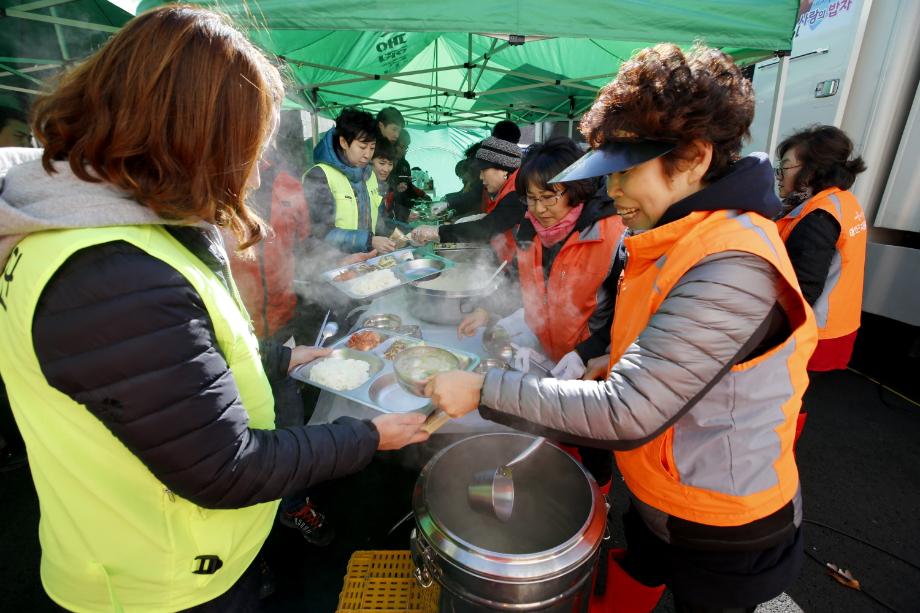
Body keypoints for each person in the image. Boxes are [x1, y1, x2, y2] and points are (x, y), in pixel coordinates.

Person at [0, 7, 428, 611]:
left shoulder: (110, 228)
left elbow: (169, 368)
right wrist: (366, 435)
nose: (255, 170)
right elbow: (224, 465)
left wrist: (281, 357)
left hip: (171, 552)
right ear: (193, 134)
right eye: (250, 142)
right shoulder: (110, 271)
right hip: (160, 581)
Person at [425, 43, 817, 613]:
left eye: (626, 172)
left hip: (720, 519)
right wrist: (623, 356)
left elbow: (626, 411)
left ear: (694, 158)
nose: (611, 193)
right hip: (663, 494)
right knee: (632, 583)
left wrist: (483, 391)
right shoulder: (676, 240)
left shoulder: (733, 262)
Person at [457, 137, 626, 486]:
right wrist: (487, 310)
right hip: (549, 351)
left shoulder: (613, 236)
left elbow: (629, 315)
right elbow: (517, 279)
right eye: (531, 198)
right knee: (554, 430)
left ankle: (599, 504)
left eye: (550, 197)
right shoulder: (529, 229)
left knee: (593, 444)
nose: (540, 208)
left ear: (577, 189)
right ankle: (558, 481)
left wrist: (587, 353)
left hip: (593, 366)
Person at [774, 125, 867, 371]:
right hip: (839, 323)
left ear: (811, 171)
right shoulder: (843, 200)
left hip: (814, 332)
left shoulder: (817, 217)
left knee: (786, 397)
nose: (779, 174)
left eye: (785, 166)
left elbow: (802, 290)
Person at [411, 134, 524, 263]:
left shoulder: (517, 193)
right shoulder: (506, 185)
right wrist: (448, 204)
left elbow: (488, 228)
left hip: (519, 263)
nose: (480, 178)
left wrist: (437, 232)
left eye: (483, 171)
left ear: (502, 169)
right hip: (505, 255)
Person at [306, 107, 396, 254]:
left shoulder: (370, 175)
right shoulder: (320, 176)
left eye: (372, 147)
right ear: (343, 142)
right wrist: (369, 241)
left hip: (366, 261)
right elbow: (319, 232)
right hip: (332, 264)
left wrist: (406, 232)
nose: (367, 155)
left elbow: (379, 221)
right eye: (362, 147)